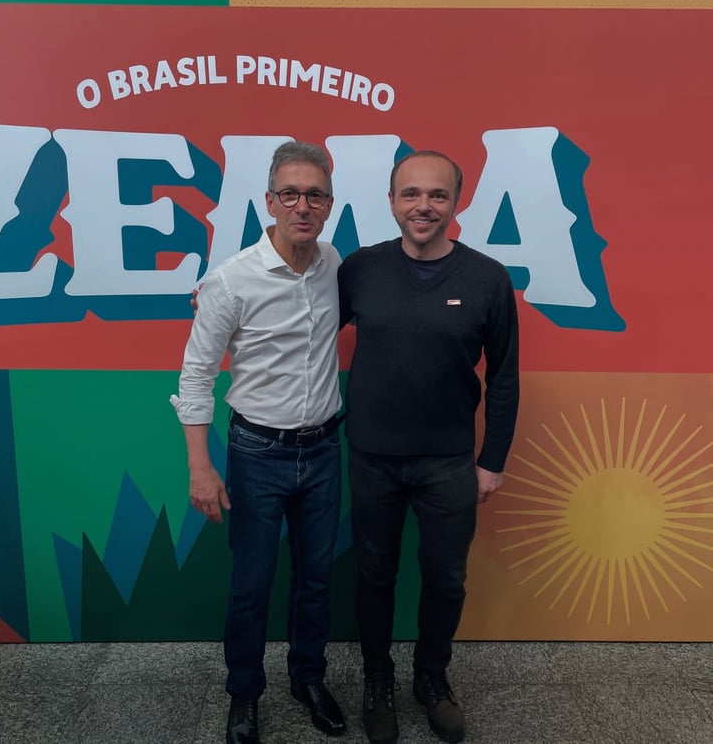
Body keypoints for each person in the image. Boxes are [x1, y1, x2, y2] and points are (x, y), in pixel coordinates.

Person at [338, 150, 520, 744]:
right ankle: (378, 681)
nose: (423, 206)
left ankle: (432, 679)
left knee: (445, 579)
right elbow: (299, 323)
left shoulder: (488, 278)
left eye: (437, 194)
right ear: (392, 201)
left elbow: (505, 376)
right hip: (372, 455)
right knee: (374, 575)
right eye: (411, 193)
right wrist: (224, 300)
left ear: (456, 202)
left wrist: (491, 460)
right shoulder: (359, 269)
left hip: (449, 460)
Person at [171, 141, 347, 744]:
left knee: (316, 579)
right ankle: (244, 693)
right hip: (256, 454)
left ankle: (308, 679)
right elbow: (195, 376)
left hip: (324, 451)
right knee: (251, 584)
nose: (303, 205)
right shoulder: (229, 282)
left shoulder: (333, 264)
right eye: (290, 194)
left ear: (329, 205)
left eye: (315, 195)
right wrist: (200, 466)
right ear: (270, 202)